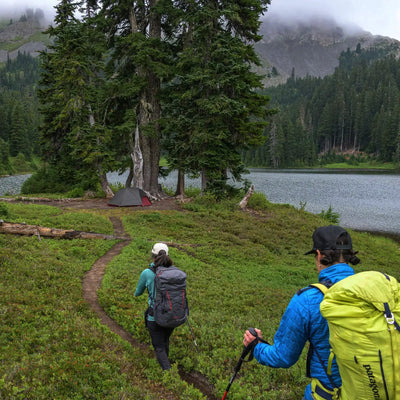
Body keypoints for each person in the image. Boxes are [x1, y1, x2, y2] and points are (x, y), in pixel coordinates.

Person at [243, 225, 360, 400]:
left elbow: (283, 357)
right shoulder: (377, 294)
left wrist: (255, 345)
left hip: (329, 394)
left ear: (320, 255)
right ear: (350, 256)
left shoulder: (308, 300)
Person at [135, 242, 175, 370]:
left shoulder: (147, 273)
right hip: (172, 315)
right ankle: (165, 362)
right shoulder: (174, 272)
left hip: (155, 316)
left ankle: (168, 374)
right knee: (165, 340)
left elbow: (138, 293)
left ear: (153, 255)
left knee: (158, 346)